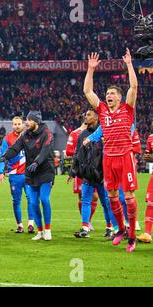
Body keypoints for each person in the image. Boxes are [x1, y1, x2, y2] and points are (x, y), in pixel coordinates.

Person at [83, 49, 139, 252]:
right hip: (108, 158)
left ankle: (132, 235)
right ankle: (121, 230)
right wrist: (90, 70)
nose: (108, 96)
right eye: (107, 94)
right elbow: (88, 92)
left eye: (112, 94)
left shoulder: (127, 109)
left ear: (120, 97)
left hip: (125, 156)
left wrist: (129, 65)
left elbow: (133, 86)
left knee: (130, 197)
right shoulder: (103, 111)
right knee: (112, 196)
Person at [0, 111, 55, 241]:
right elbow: (15, 148)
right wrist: (4, 158)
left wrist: (37, 162)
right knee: (34, 203)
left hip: (46, 171)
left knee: (45, 199)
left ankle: (47, 230)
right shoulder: (25, 135)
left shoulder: (47, 133)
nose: (26, 123)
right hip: (31, 172)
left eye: (29, 120)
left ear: (36, 121)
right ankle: (39, 231)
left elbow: (45, 151)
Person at [69, 110, 116, 238]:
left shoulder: (105, 133)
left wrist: (108, 173)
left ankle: (110, 227)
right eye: (85, 115)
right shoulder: (82, 134)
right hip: (88, 175)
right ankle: (85, 228)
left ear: (96, 117)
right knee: (85, 200)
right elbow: (77, 154)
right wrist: (73, 170)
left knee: (106, 202)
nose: (86, 117)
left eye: (89, 115)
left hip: (102, 175)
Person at [0, 116, 33, 233]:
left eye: (19, 124)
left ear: (23, 124)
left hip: (29, 174)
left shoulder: (30, 136)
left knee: (31, 199)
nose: (17, 126)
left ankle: (31, 224)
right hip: (15, 175)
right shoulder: (7, 139)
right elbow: (3, 156)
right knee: (16, 201)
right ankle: (20, 225)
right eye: (15, 124)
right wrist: (1, 172)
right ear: (12, 125)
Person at [65, 117, 98, 230]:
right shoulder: (75, 134)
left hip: (97, 169)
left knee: (96, 197)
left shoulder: (98, 131)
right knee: (83, 197)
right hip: (81, 169)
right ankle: (87, 222)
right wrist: (80, 150)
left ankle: (89, 221)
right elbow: (68, 150)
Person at [136, 129, 153, 243]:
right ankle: (147, 233)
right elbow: (148, 155)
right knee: (151, 202)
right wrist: (147, 156)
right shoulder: (151, 138)